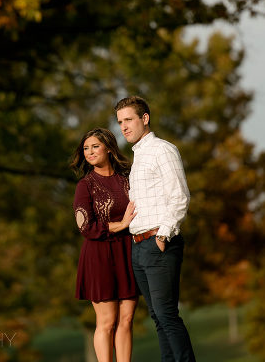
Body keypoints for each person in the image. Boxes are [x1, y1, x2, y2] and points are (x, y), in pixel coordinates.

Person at [115, 96, 196, 362]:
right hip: (139, 247)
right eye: (120, 122)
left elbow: (180, 196)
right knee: (158, 318)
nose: (123, 127)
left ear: (145, 118)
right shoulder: (138, 157)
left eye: (128, 120)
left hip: (159, 242)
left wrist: (163, 235)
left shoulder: (163, 150)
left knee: (167, 315)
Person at [70, 127, 139, 362]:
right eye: (85, 148)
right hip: (99, 255)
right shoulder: (85, 186)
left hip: (128, 252)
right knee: (107, 321)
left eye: (95, 146)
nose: (89, 152)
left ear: (109, 149)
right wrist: (121, 225)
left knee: (127, 319)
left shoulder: (128, 180)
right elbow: (85, 227)